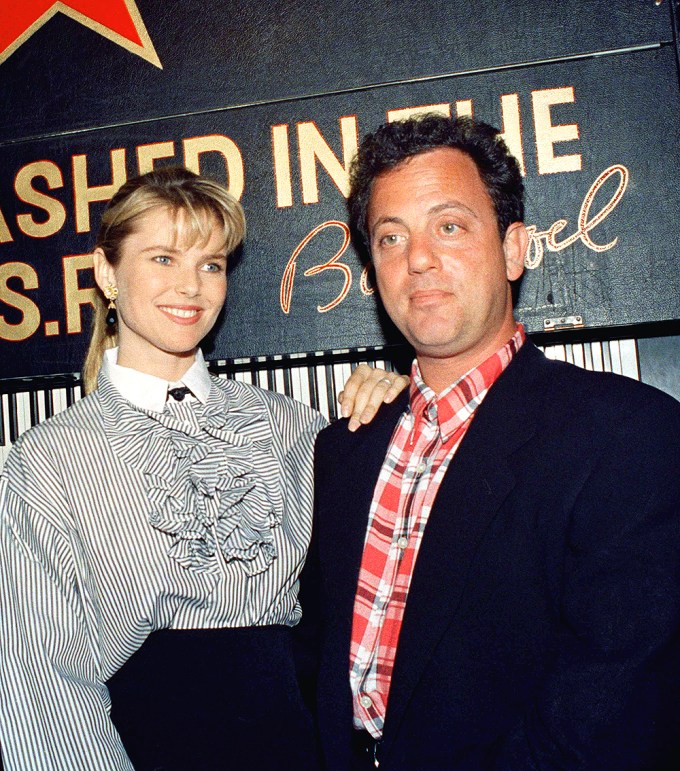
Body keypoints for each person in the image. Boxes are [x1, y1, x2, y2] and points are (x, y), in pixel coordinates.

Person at [302, 115, 680, 770]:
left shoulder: (628, 438)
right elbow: (317, 675)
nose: (417, 257)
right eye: (391, 237)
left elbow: (608, 718)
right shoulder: (344, 450)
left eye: (449, 226)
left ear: (513, 248)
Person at [0, 166, 407, 770]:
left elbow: (373, 592)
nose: (190, 286)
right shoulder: (47, 461)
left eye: (210, 264)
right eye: (164, 258)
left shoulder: (291, 426)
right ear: (106, 272)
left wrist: (404, 411)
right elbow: (39, 685)